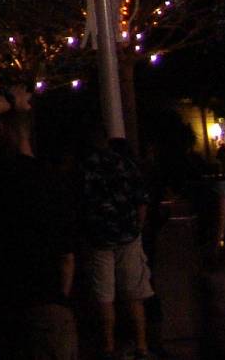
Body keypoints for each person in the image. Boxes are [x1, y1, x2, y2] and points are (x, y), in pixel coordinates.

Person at [0, 88, 75, 360]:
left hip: (8, 305)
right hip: (48, 306)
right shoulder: (52, 181)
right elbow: (66, 255)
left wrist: (11, 100)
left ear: (0, 130)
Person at [78, 123, 154, 360]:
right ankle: (141, 345)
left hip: (99, 237)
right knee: (134, 293)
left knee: (104, 295)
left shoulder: (84, 168)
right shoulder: (125, 164)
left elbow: (80, 203)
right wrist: (137, 227)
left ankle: (109, 347)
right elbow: (141, 199)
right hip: (127, 234)